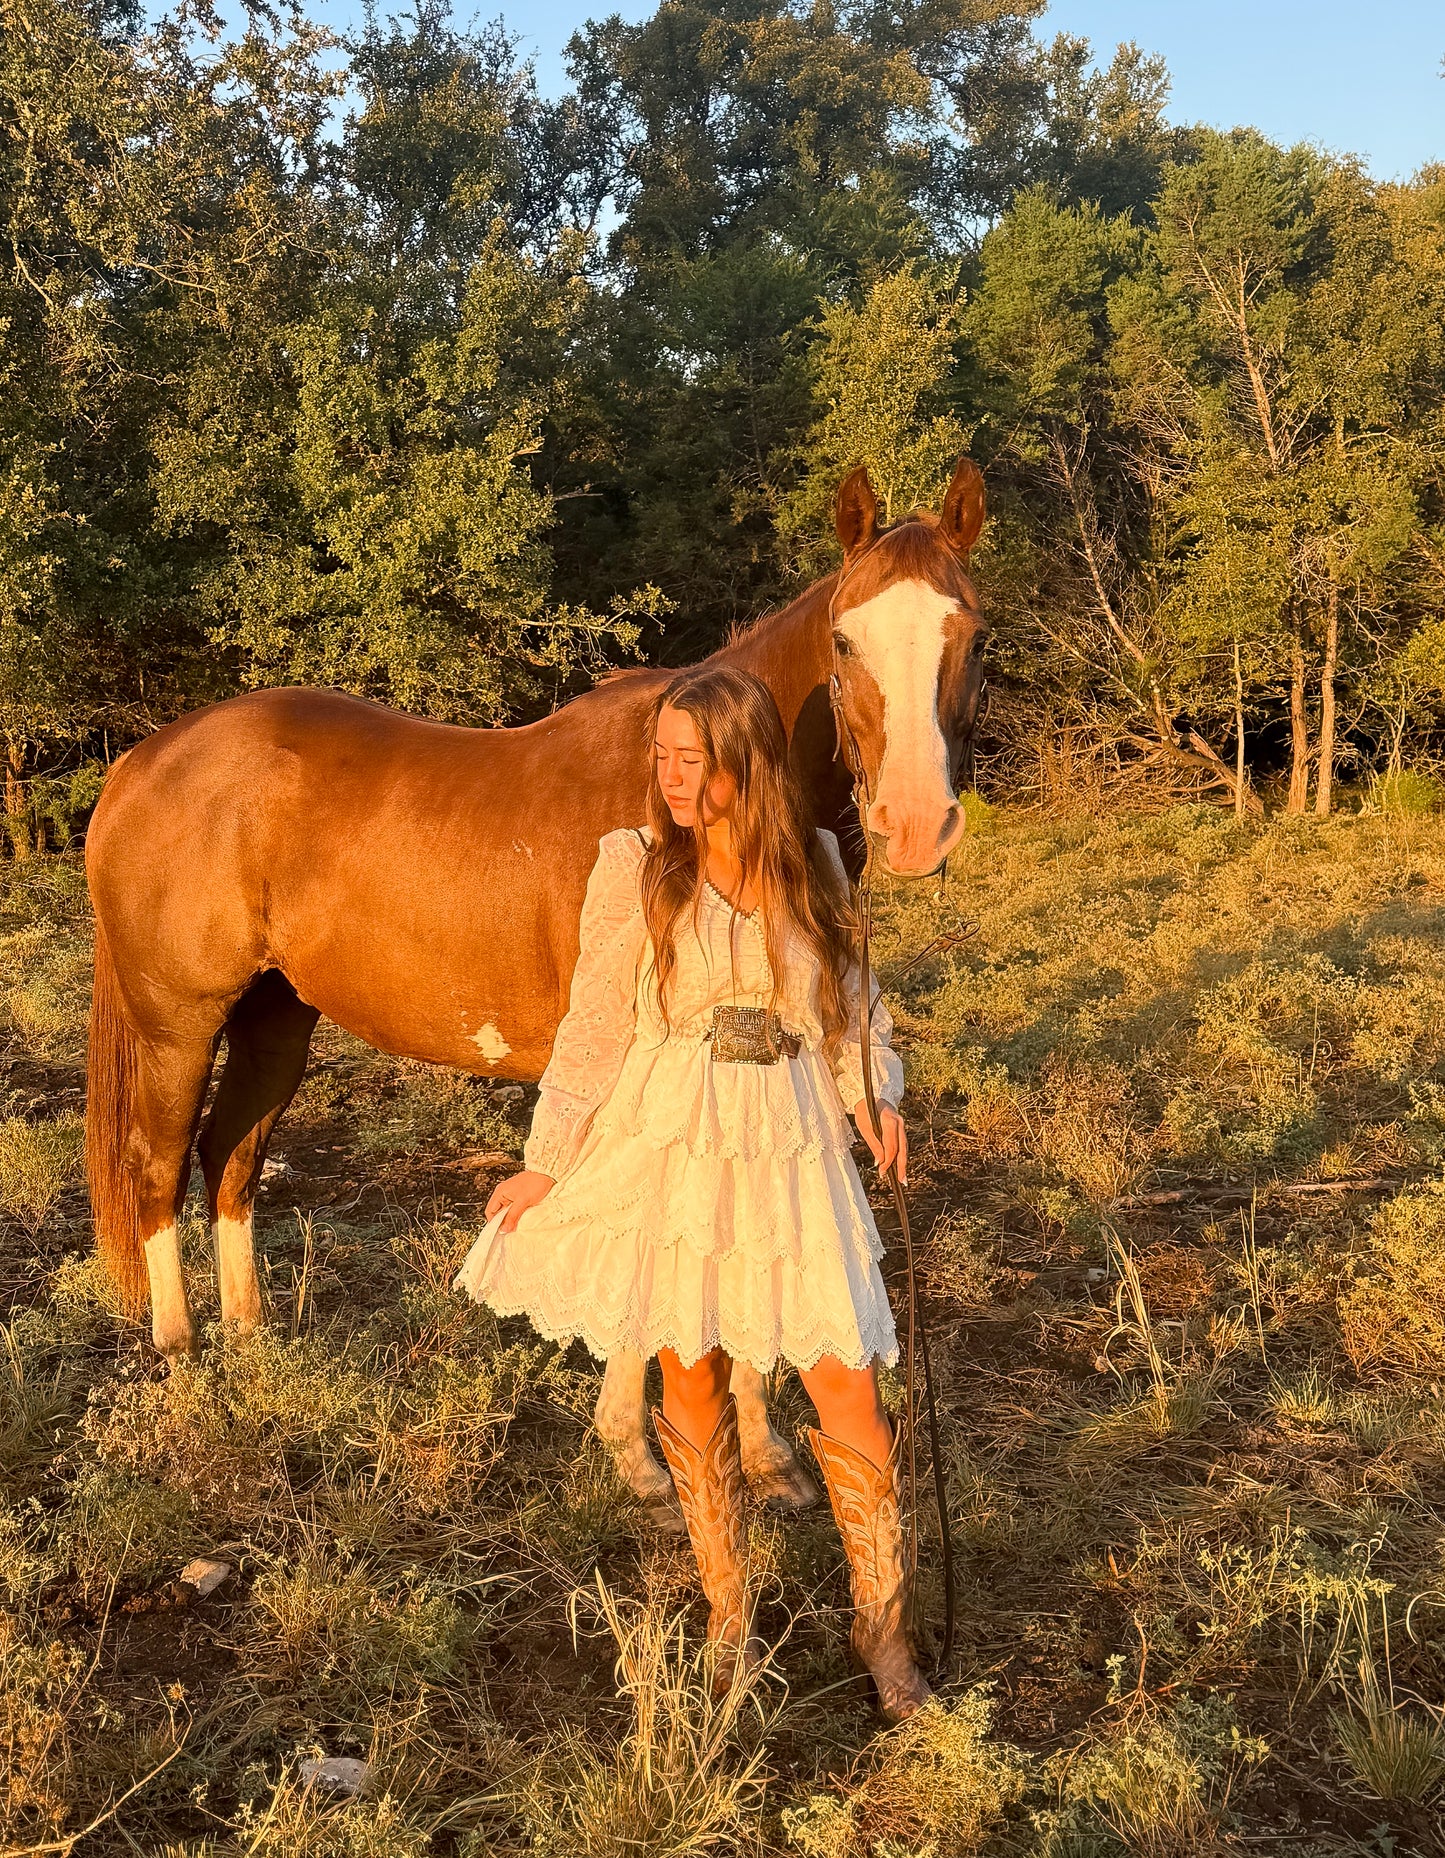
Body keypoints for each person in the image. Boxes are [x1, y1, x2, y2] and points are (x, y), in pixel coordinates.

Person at [454, 663, 931, 1720]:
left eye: (690, 758)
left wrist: (875, 1095)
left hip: (791, 1132)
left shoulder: (810, 860)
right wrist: (546, 1153)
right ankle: (728, 1614)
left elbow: (850, 1002)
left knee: (844, 1375)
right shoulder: (634, 867)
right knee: (692, 1367)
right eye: (660, 756)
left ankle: (881, 1629)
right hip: (672, 1130)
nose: (669, 777)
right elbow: (593, 1022)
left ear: (744, 762)